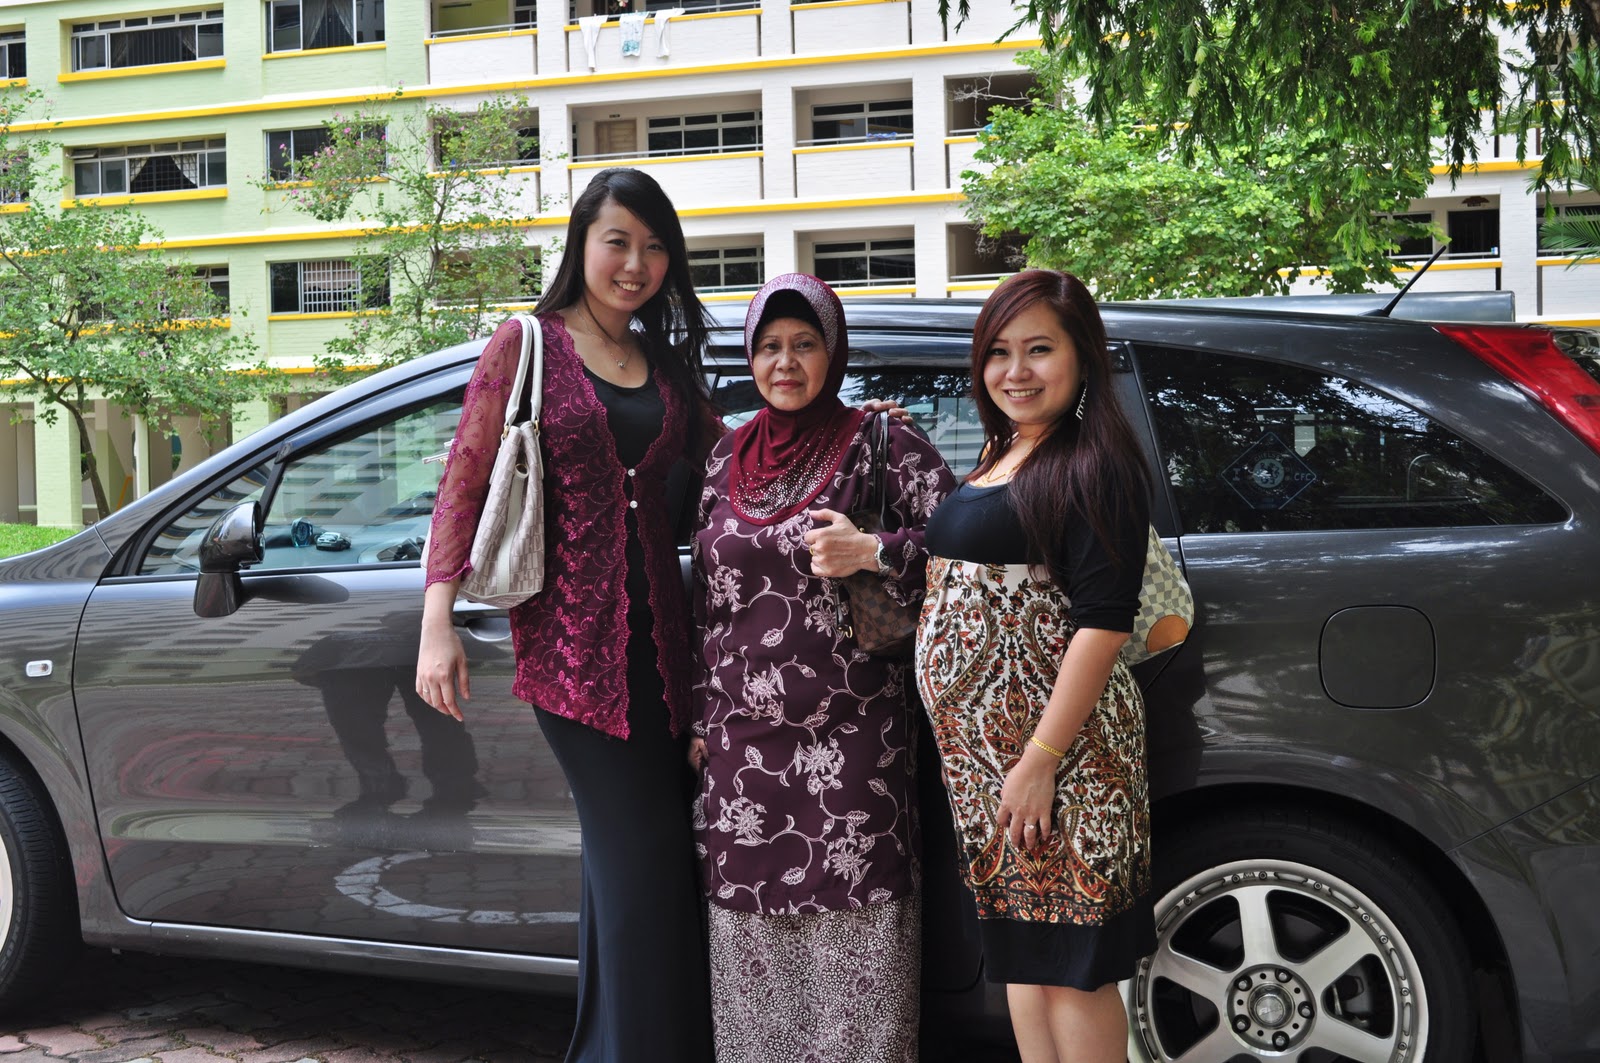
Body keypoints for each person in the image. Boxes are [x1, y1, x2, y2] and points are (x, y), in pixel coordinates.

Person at [415, 167, 718, 1063]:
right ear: (582, 241)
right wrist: (436, 623)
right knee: (647, 867)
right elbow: (464, 478)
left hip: (667, 655)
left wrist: (845, 428)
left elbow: (735, 461)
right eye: (617, 241)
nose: (635, 264)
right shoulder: (528, 343)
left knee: (628, 870)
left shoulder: (666, 366)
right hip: (574, 657)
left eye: (654, 247)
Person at [687, 273, 956, 1063]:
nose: (785, 362)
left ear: (832, 352)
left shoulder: (881, 442)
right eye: (769, 345)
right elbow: (707, 604)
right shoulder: (724, 457)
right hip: (742, 750)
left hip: (855, 741)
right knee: (753, 945)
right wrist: (702, 717)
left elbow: (965, 546)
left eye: (805, 343)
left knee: (857, 932)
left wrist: (875, 550)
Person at [915, 269, 1156, 1063]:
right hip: (992, 768)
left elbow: (1102, 626)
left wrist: (1040, 760)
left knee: (1073, 970)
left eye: (1039, 350)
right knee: (1023, 957)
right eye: (998, 352)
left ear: (1083, 355)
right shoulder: (1008, 449)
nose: (1015, 371)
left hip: (1063, 760)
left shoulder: (1096, 464)